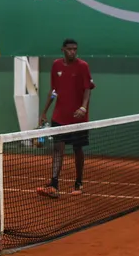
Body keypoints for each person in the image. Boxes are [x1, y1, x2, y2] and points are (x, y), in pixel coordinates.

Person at [36, 38, 95, 198]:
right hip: (59, 116)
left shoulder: (83, 66)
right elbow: (54, 90)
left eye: (75, 49)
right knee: (57, 149)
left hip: (78, 119)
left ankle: (79, 182)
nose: (73, 52)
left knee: (78, 149)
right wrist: (44, 111)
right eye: (69, 49)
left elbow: (87, 89)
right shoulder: (56, 65)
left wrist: (83, 107)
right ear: (63, 49)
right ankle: (54, 184)